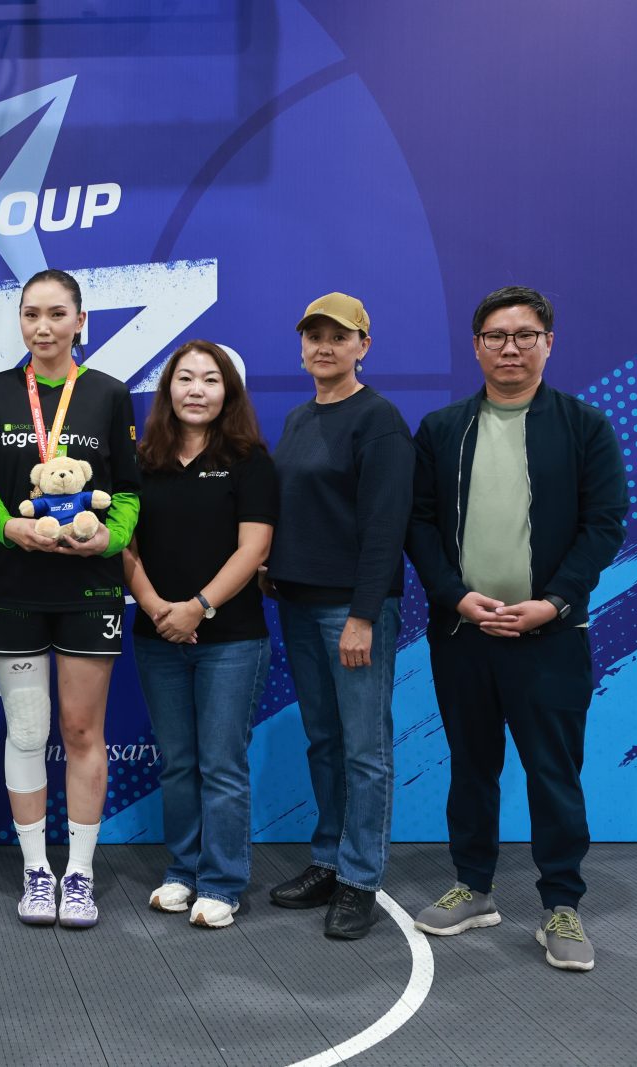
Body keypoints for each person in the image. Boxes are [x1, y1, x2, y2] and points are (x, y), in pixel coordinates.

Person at [406, 286, 626, 972]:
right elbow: (418, 524)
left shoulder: (584, 426)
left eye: (525, 335)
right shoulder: (442, 429)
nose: (510, 347)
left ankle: (562, 903)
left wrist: (554, 602)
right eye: (496, 336)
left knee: (553, 773)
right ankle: (474, 886)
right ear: (476, 346)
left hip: (550, 634)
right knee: (472, 766)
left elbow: (604, 526)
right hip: (463, 635)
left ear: (548, 343)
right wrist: (456, 598)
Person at [0, 268, 140, 927]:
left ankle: (81, 873)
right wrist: (6, 527)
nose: (43, 327)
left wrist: (108, 540)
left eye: (56, 314)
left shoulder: (108, 394)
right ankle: (36, 870)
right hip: (15, 584)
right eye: (31, 314)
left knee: (81, 729)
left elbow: (128, 492)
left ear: (80, 321)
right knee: (28, 730)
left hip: (88, 586)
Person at [263, 292, 413, 940]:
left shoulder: (379, 420)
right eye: (314, 336)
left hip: (352, 612)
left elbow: (385, 528)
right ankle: (328, 859)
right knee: (324, 742)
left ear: (363, 346)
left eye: (339, 336)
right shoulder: (299, 418)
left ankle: (359, 879)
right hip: (298, 607)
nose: (324, 346)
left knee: (365, 751)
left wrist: (363, 616)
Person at [123, 341, 276, 929]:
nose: (196, 390)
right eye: (185, 378)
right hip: (156, 635)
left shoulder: (249, 461)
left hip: (231, 639)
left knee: (222, 764)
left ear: (228, 391)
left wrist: (198, 608)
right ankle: (182, 872)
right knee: (178, 763)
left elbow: (253, 549)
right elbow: (125, 545)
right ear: (168, 389)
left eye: (210, 380)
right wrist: (158, 608)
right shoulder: (142, 461)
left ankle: (221, 882)